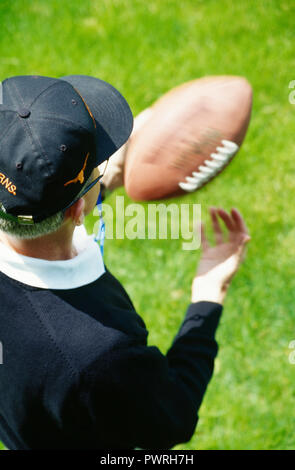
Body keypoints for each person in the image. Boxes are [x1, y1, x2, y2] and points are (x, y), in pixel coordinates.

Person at [0, 74, 250, 450]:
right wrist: (209, 294)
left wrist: (98, 185)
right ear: (77, 212)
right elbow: (173, 418)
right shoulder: (101, 352)